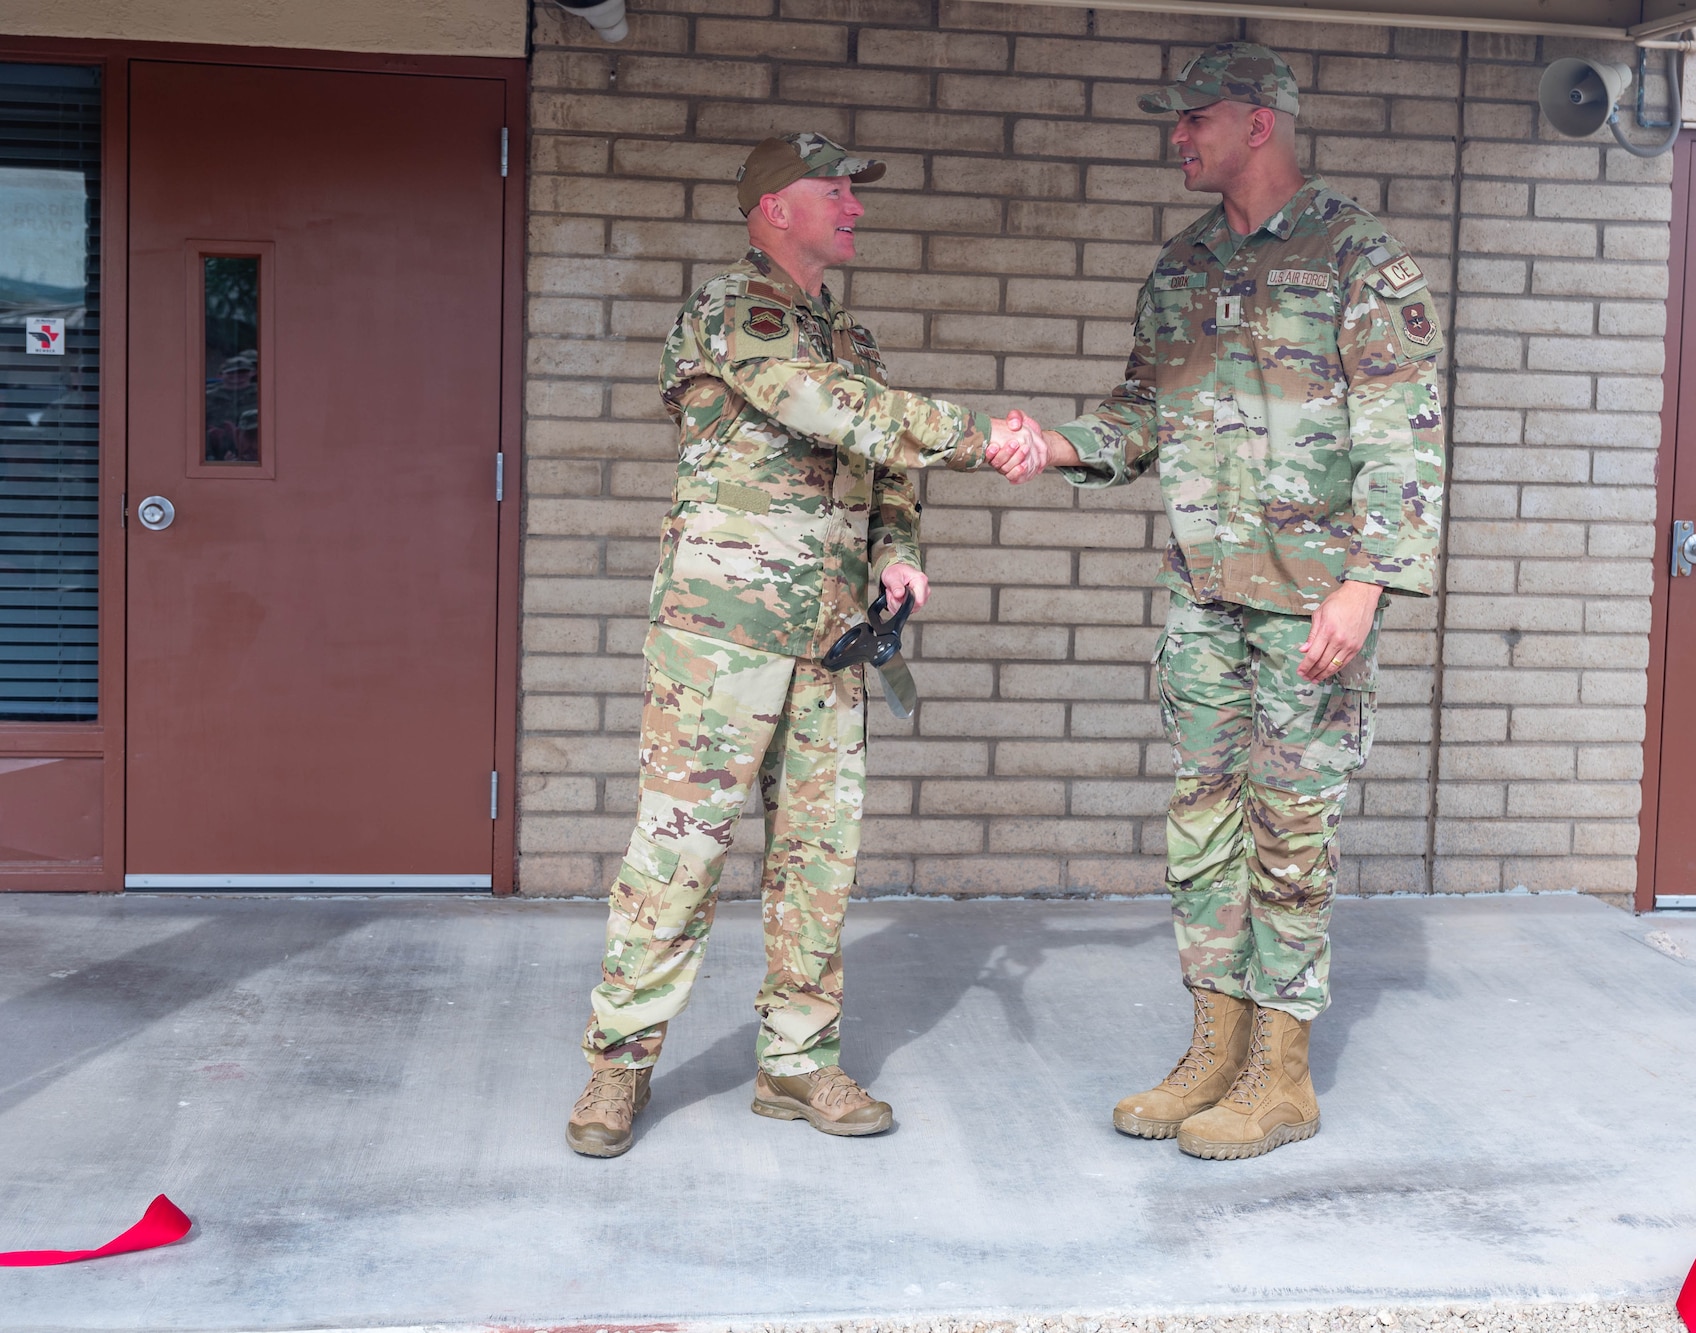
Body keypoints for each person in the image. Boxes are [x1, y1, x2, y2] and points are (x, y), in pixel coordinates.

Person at [566, 133, 1048, 1158]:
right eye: (832, 190)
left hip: (830, 639)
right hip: (721, 638)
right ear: (771, 208)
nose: (853, 206)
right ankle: (618, 1067)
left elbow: (882, 469)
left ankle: (796, 1064)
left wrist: (898, 550)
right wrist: (982, 437)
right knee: (678, 855)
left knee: (816, 860)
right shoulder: (732, 313)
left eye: (852, 192)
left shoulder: (852, 340)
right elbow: (828, 409)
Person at [1010, 44, 1445, 1160]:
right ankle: (1212, 1047)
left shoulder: (1358, 258)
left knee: (1290, 834)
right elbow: (1138, 417)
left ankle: (1280, 1077)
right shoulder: (1182, 265)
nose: (1176, 137)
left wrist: (1365, 582)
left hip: (1310, 606)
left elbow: (1406, 435)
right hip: (1204, 599)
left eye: (1191, 118)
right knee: (1202, 828)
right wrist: (1053, 444)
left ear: (1259, 124)